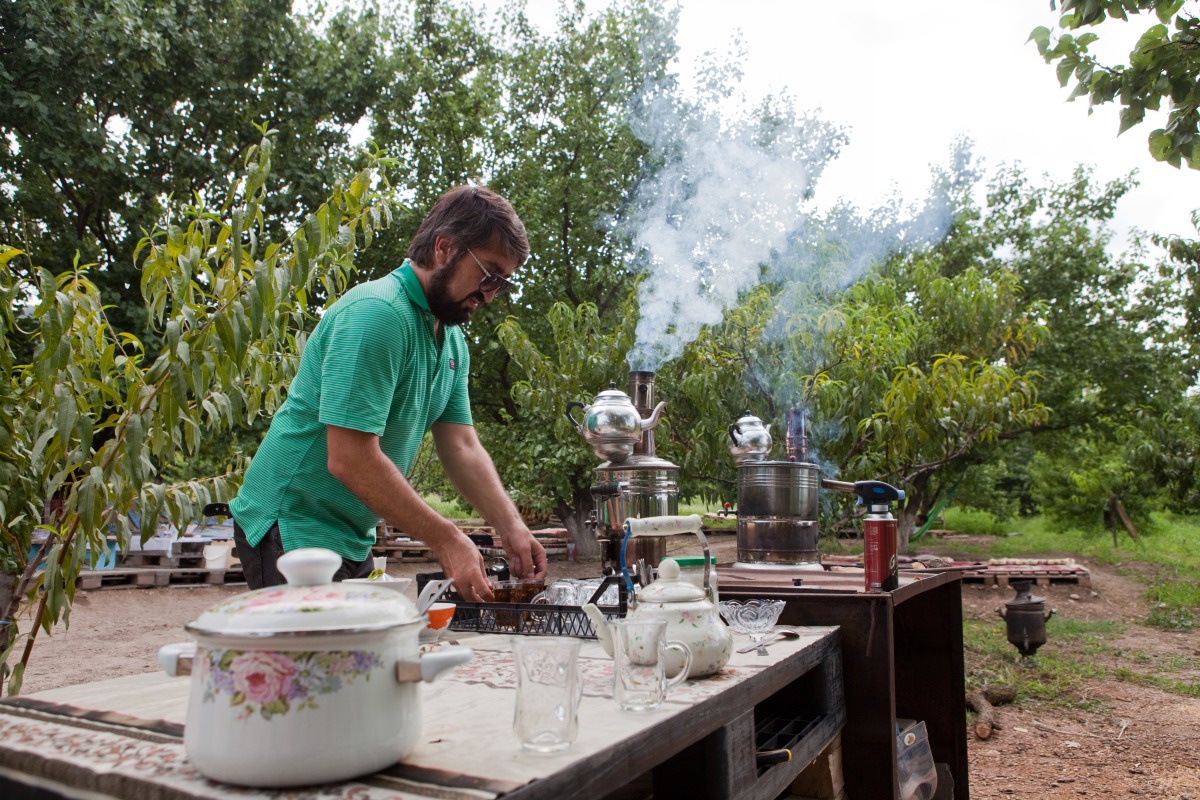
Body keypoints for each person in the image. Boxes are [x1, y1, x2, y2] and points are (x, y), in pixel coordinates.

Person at [229, 185, 548, 599]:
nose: (490, 294)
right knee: (326, 663)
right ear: (444, 249)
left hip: (348, 533)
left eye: (502, 283)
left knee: (366, 660)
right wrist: (447, 538)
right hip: (291, 522)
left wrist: (512, 526)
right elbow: (349, 458)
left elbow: (462, 447)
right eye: (488, 273)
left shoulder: (450, 343)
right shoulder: (377, 315)